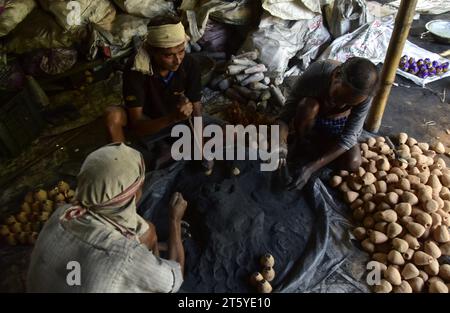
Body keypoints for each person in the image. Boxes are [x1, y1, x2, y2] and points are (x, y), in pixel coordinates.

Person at [27, 143, 187, 293]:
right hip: (124, 262)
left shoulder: (62, 213)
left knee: (148, 230)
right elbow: (176, 277)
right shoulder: (128, 256)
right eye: (139, 186)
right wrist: (175, 220)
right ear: (132, 196)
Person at [277, 57, 380, 190]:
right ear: (336, 75)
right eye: (337, 96)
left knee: (353, 163)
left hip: (338, 126)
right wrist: (279, 142)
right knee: (308, 106)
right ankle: (300, 140)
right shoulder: (318, 72)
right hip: (312, 116)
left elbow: (348, 138)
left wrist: (311, 168)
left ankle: (313, 150)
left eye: (349, 104)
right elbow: (285, 114)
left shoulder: (365, 95)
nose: (340, 105)